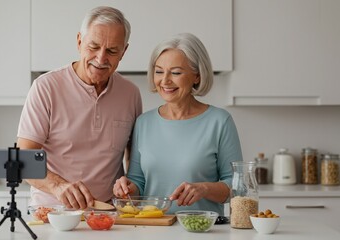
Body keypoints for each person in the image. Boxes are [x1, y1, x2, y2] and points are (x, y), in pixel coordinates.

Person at [17, 6, 142, 210]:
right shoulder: (46, 87)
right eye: (93, 47)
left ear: (124, 51)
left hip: (109, 214)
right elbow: (23, 159)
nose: (101, 59)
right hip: (53, 212)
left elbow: (133, 158)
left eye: (111, 51)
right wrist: (59, 186)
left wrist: (130, 185)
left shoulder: (131, 93)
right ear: (79, 41)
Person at [113, 33, 242, 215]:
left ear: (196, 76)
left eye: (175, 72)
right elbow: (138, 182)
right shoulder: (144, 122)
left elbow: (236, 187)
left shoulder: (220, 121)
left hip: (202, 231)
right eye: (159, 71)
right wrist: (127, 188)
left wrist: (205, 189)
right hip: (153, 229)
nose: (165, 80)